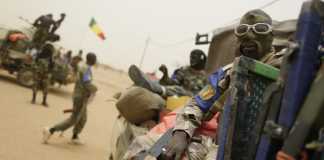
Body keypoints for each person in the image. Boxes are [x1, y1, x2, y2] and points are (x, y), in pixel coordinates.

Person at [159, 9, 286, 160]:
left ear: (271, 37)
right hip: (221, 148)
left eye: (260, 29)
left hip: (264, 152)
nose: (249, 36)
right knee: (158, 149)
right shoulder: (228, 73)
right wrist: (181, 133)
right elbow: (198, 104)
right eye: (242, 30)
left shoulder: (287, 66)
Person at [42, 53, 98, 144]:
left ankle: (75, 136)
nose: (96, 61)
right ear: (92, 60)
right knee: (74, 119)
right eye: (95, 59)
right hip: (80, 97)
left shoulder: (84, 66)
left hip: (81, 96)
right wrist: (95, 89)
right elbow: (87, 83)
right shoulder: (86, 69)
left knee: (83, 118)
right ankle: (51, 130)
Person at [129, 49, 208, 98]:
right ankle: (143, 84)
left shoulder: (206, 78)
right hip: (176, 96)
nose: (192, 59)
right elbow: (173, 82)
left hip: (192, 100)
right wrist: (165, 74)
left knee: (179, 89)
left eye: (195, 58)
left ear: (201, 60)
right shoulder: (184, 70)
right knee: (159, 82)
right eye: (191, 57)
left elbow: (205, 95)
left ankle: (154, 88)